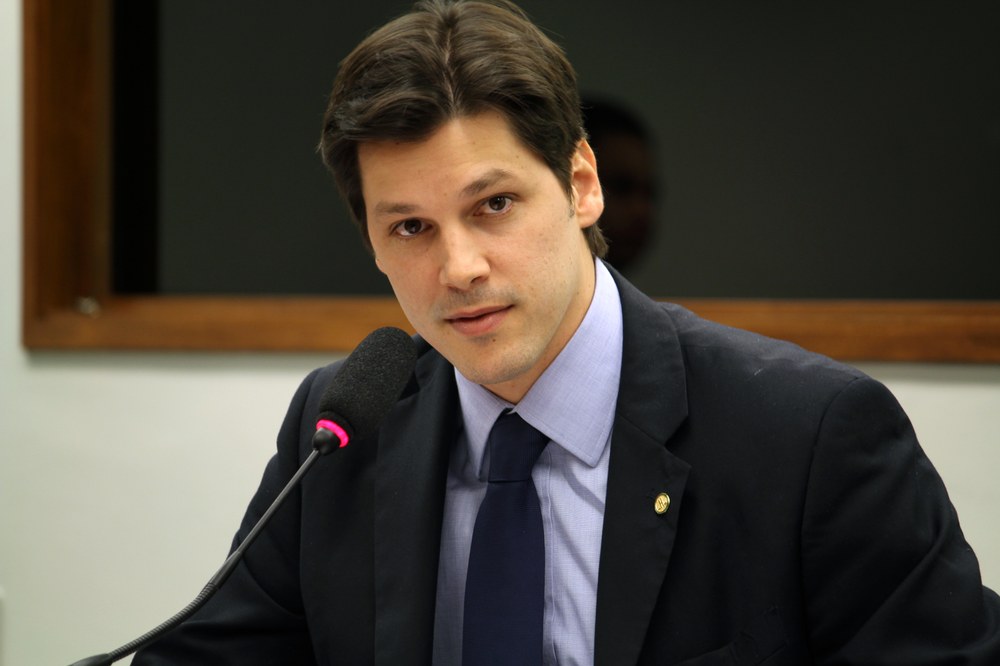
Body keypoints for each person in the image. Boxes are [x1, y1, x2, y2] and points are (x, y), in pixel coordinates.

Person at [134, 1, 1000, 664]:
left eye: (494, 205)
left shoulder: (808, 437)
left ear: (582, 183)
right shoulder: (340, 430)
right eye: (411, 227)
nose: (459, 267)